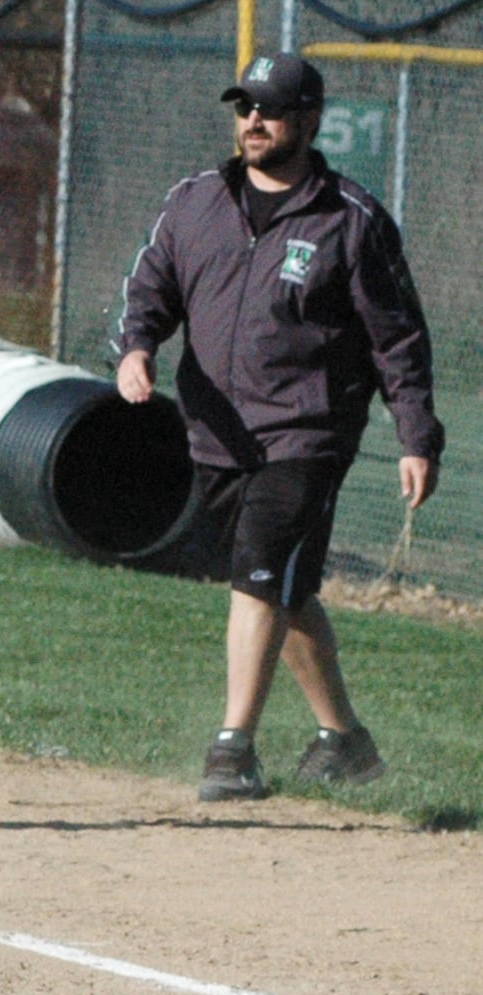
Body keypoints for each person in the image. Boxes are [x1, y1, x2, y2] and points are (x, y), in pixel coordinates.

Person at [114, 54, 443, 802]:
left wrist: (415, 437)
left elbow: (399, 341)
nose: (251, 122)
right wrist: (137, 348)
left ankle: (232, 748)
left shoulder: (348, 221)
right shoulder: (194, 202)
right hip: (218, 434)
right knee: (283, 591)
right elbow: (150, 285)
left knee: (259, 573)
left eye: (268, 109)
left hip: (306, 433)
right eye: (243, 108)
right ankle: (344, 742)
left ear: (307, 120)